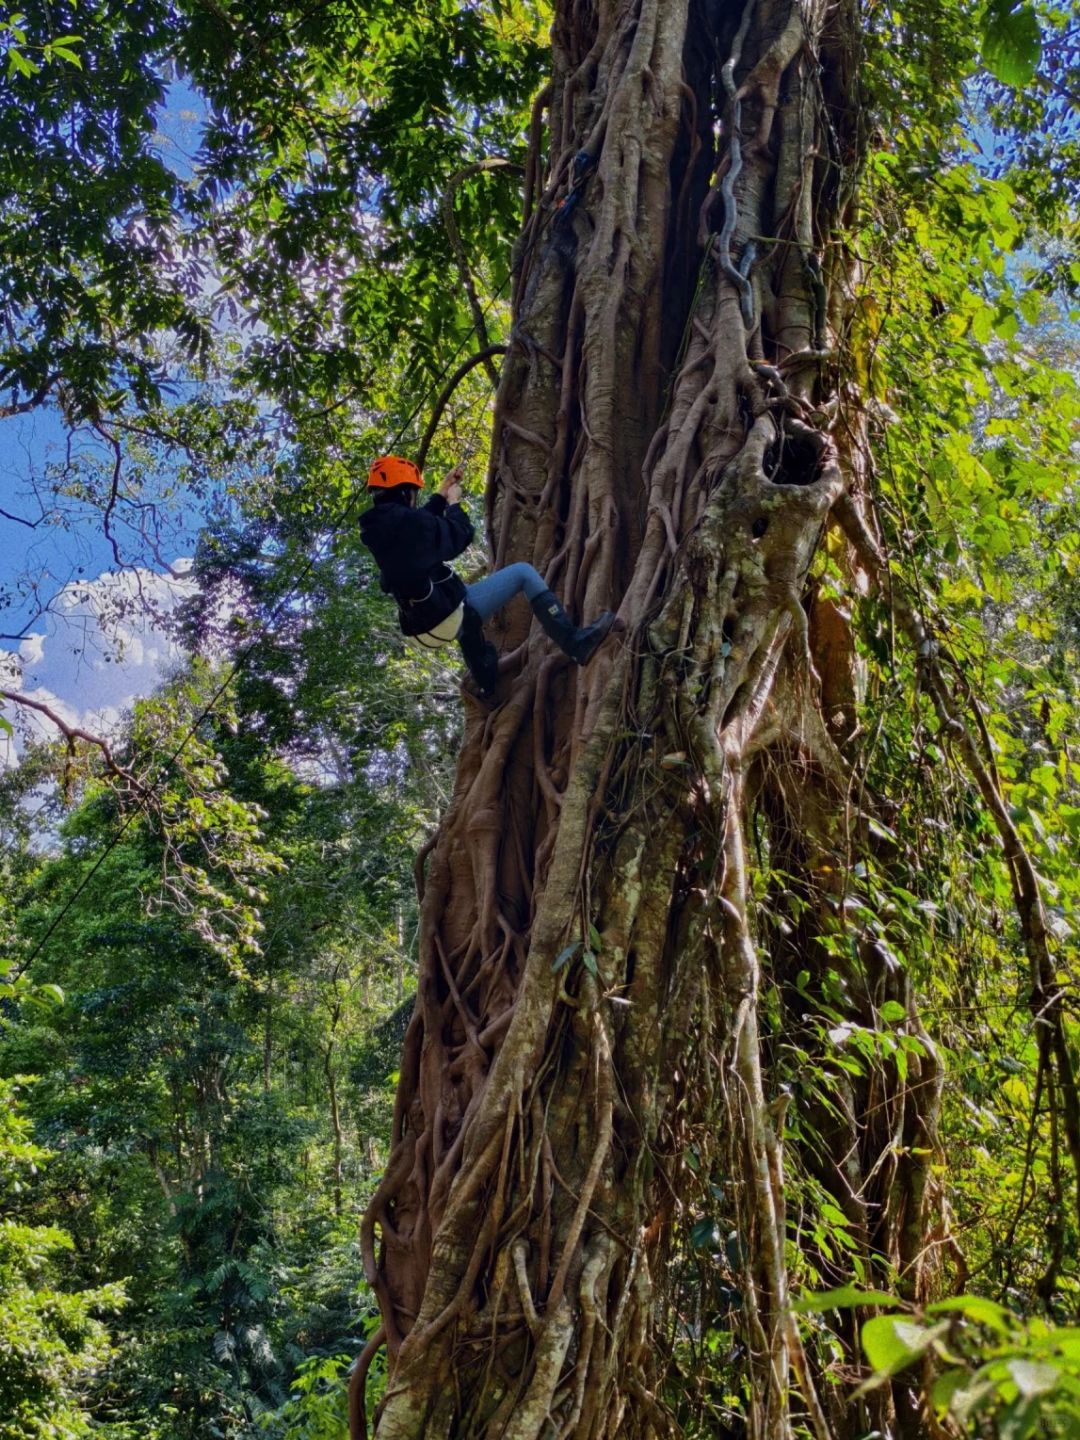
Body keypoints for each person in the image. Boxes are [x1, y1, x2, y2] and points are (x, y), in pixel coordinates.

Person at [359, 455, 617, 696]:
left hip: (421, 627)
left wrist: (440, 493)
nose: (415, 497)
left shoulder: (380, 530)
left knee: (464, 614)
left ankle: (488, 684)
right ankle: (575, 643)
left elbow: (418, 529)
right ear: (404, 492)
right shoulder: (410, 524)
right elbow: (459, 534)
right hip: (446, 615)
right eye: (413, 492)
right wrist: (454, 503)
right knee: (523, 574)